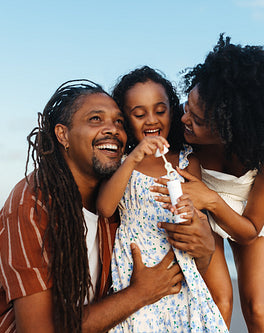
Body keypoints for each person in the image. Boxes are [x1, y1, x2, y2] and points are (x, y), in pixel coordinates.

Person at [0, 80, 196, 333]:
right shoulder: (32, 203)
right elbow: (39, 329)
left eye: (118, 122)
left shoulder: (115, 202)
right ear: (63, 135)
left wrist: (202, 245)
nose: (112, 130)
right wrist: (139, 294)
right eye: (95, 119)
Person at [152, 35, 264, 333]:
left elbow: (249, 232)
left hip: (244, 209)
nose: (183, 119)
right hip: (199, 200)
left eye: (196, 118)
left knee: (258, 308)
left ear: (230, 128)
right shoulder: (186, 130)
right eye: (187, 107)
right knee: (219, 300)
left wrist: (211, 199)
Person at [96, 66, 229, 332]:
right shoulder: (123, 163)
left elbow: (197, 210)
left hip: (179, 263)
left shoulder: (186, 160)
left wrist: (189, 209)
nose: (151, 120)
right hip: (137, 268)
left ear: (172, 110)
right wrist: (134, 157)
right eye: (139, 114)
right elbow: (105, 207)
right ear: (125, 119)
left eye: (160, 110)